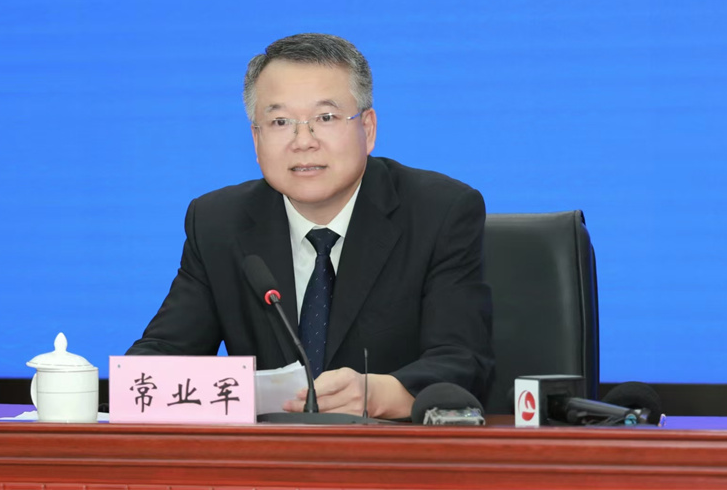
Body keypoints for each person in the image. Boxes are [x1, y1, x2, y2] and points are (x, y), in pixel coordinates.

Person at [127, 33, 494, 419]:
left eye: (326, 118)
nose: (303, 141)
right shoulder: (218, 223)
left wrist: (380, 394)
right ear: (256, 138)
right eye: (280, 121)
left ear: (368, 129)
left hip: (393, 451)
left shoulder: (439, 212)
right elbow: (159, 360)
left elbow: (464, 361)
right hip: (267, 454)